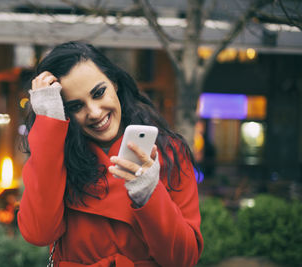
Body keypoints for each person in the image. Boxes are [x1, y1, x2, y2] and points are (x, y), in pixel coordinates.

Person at [18, 41, 203, 267]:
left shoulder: (169, 153)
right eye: (76, 106)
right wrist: (49, 123)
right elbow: (39, 234)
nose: (94, 113)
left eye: (98, 93)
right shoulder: (56, 157)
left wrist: (150, 194)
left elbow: (184, 260)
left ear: (114, 83)